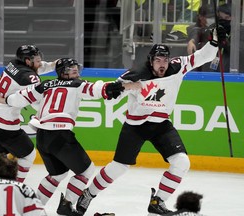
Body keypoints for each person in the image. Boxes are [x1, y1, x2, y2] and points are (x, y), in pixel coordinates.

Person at [75, 27, 226, 216]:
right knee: (119, 167)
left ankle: (158, 202)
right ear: (151, 61)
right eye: (158, 60)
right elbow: (111, 92)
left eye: (165, 60)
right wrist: (115, 90)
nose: (162, 64)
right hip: (135, 126)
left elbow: (202, 56)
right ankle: (89, 193)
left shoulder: (178, 67)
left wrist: (213, 41)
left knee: (182, 162)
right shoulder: (137, 73)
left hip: (161, 124)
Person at [0, 58, 138, 216]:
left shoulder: (44, 85)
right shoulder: (78, 84)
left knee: (57, 174)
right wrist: (127, 86)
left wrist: (4, 99)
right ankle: (66, 205)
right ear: (62, 72)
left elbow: (20, 98)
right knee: (87, 171)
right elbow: (102, 89)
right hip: (59, 134)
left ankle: (32, 209)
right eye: (71, 68)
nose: (75, 70)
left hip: (42, 136)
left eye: (76, 68)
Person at [0, 45, 57, 183]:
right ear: (28, 61)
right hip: (2, 123)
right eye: (37, 60)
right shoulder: (30, 77)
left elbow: (36, 70)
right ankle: (15, 188)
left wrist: (54, 65)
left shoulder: (14, 63)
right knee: (28, 155)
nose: (40, 62)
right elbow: (35, 99)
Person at [187, 3, 231, 72]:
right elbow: (198, 31)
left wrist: (224, 41)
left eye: (227, 18)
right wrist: (192, 40)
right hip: (206, 68)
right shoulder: (211, 28)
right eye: (209, 17)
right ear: (200, 17)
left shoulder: (237, 31)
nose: (212, 19)